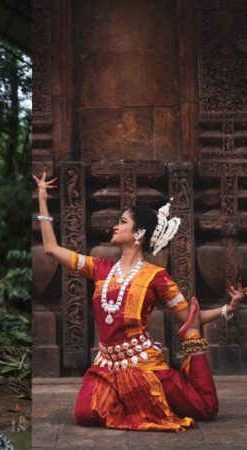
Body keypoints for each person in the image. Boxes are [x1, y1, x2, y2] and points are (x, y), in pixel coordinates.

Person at [34, 168, 245, 432]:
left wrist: (229, 308)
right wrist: (42, 200)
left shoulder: (157, 277)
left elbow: (192, 318)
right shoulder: (100, 268)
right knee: (85, 413)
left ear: (138, 233)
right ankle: (129, 401)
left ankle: (145, 398)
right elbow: (52, 250)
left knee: (204, 410)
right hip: (107, 364)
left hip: (143, 363)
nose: (115, 225)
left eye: (122, 221)